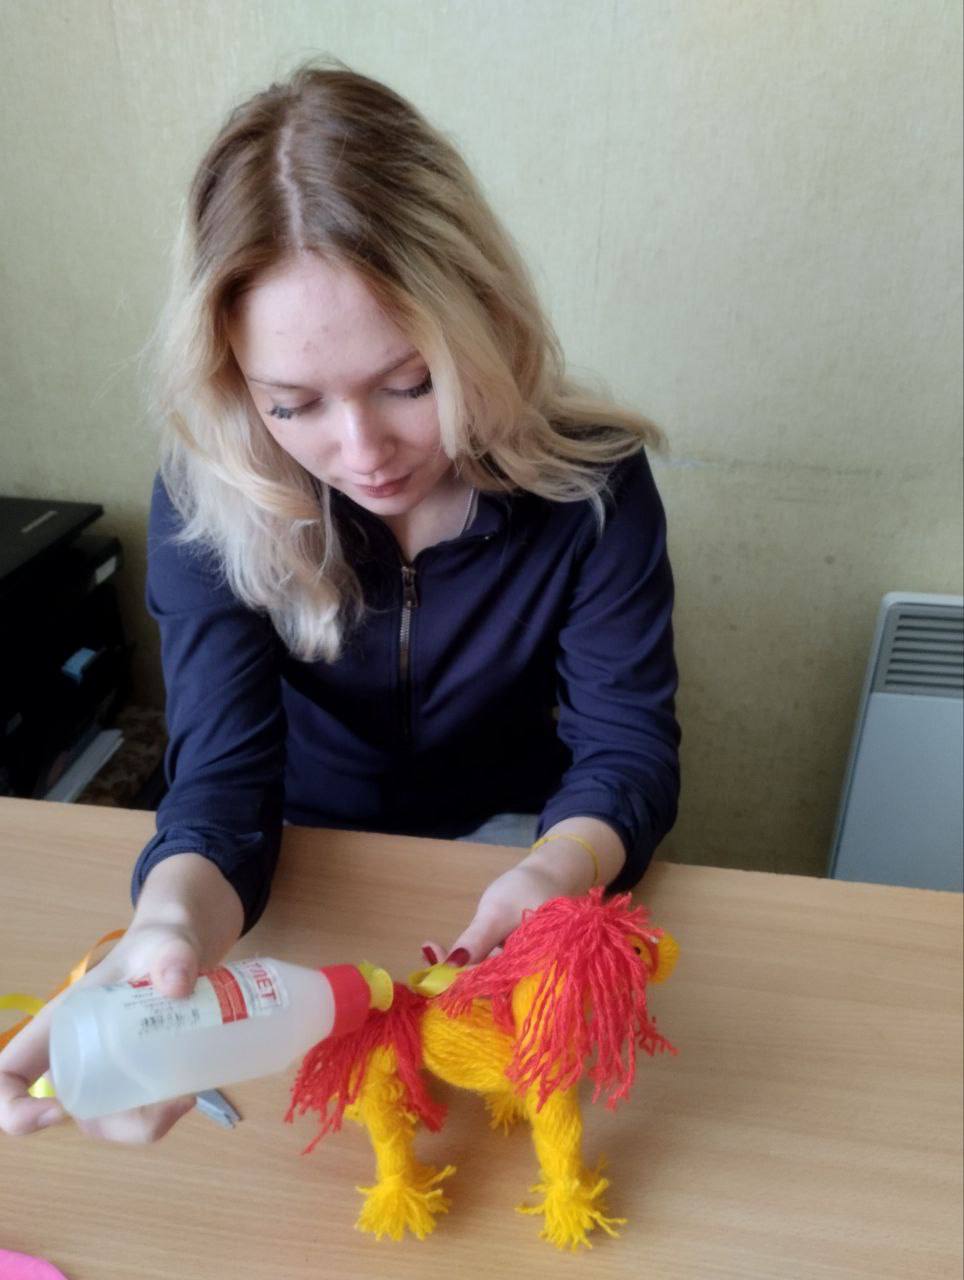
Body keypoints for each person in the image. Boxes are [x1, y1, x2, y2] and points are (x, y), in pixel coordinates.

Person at [0, 61, 680, 1143]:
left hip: (513, 848)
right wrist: (168, 928)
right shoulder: (208, 497)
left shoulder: (590, 487)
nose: (364, 452)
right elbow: (220, 783)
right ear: (234, 382)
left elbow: (626, 752)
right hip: (285, 863)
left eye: (409, 383)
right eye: (292, 404)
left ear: (482, 323)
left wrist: (556, 868)